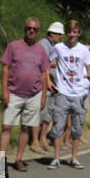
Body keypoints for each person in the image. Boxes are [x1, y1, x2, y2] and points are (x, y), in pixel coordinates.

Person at [0, 17, 50, 171]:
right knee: (6, 126)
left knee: (25, 128)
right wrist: (4, 91)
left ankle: (19, 159)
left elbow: (44, 74)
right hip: (14, 92)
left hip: (34, 94)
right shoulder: (14, 46)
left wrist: (43, 97)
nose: (31, 31)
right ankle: (1, 160)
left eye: (35, 29)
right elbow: (6, 69)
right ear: (25, 29)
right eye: (29, 28)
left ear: (38, 31)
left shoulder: (41, 50)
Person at [47, 20, 90, 170]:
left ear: (78, 33)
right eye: (69, 32)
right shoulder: (59, 48)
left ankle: (74, 158)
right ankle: (56, 158)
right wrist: (48, 80)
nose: (72, 35)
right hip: (62, 92)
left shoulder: (84, 50)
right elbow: (46, 63)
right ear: (66, 33)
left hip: (78, 93)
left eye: (75, 32)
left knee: (77, 128)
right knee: (58, 126)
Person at [31, 21, 65, 153]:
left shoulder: (55, 45)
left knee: (48, 114)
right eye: (59, 34)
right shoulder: (43, 44)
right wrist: (57, 63)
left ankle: (43, 139)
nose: (61, 37)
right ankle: (35, 141)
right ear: (52, 33)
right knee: (40, 112)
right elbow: (41, 63)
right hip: (43, 83)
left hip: (53, 84)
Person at [63, 45, 90, 147]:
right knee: (70, 117)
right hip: (74, 92)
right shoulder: (76, 63)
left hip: (84, 93)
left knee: (82, 115)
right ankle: (66, 140)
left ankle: (77, 136)